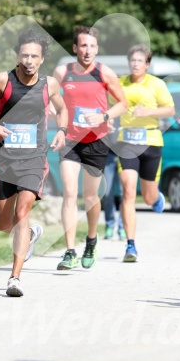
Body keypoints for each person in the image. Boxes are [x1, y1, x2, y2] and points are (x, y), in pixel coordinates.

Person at [0, 29, 68, 297]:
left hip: (34, 159)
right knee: (4, 224)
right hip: (5, 160)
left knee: (22, 213)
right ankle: (31, 234)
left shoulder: (50, 85)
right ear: (17, 55)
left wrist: (61, 130)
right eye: (24, 55)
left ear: (42, 58)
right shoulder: (3, 80)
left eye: (34, 56)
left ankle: (14, 278)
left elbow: (63, 109)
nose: (29, 60)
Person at [53, 26, 128, 271]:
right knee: (70, 193)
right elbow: (54, 104)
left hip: (97, 141)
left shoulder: (104, 72)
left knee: (90, 197)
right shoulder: (63, 72)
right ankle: (69, 251)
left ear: (97, 49)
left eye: (92, 46)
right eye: (83, 46)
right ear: (75, 48)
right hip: (71, 141)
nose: (87, 51)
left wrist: (105, 116)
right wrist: (58, 122)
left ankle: (91, 240)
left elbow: (123, 103)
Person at [116, 44, 175, 262]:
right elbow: (108, 103)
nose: (135, 64)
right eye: (132, 60)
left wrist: (148, 111)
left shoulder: (156, 84)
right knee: (129, 191)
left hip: (151, 141)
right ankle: (130, 245)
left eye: (140, 61)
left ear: (147, 65)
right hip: (127, 142)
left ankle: (155, 196)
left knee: (148, 197)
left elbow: (170, 109)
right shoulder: (120, 83)